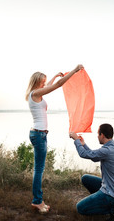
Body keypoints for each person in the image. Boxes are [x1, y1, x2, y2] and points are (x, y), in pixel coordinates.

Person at [25, 64, 84, 214]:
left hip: (39, 134)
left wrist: (55, 76)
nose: (45, 84)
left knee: (39, 168)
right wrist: (74, 71)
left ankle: (38, 200)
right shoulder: (35, 94)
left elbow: (51, 85)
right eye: (43, 82)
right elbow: (57, 86)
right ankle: (37, 201)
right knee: (38, 170)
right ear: (37, 82)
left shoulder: (35, 93)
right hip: (39, 135)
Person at [69, 123, 114, 220]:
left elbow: (83, 154)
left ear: (102, 135)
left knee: (80, 208)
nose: (97, 136)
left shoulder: (107, 150)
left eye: (98, 134)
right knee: (86, 178)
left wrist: (76, 140)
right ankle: (99, 202)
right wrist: (83, 144)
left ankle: (112, 209)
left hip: (112, 194)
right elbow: (93, 156)